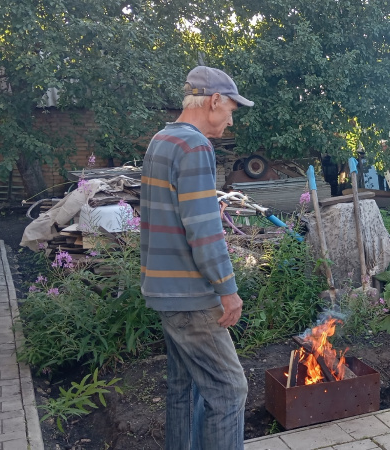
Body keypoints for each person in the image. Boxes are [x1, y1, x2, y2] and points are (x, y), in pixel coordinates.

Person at [140, 66, 254, 450]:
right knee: (230, 391)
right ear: (214, 100)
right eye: (231, 110)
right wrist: (228, 290)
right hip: (191, 295)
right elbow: (203, 232)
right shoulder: (195, 147)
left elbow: (166, 217)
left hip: (165, 291)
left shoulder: (161, 140)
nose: (231, 120)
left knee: (184, 388)